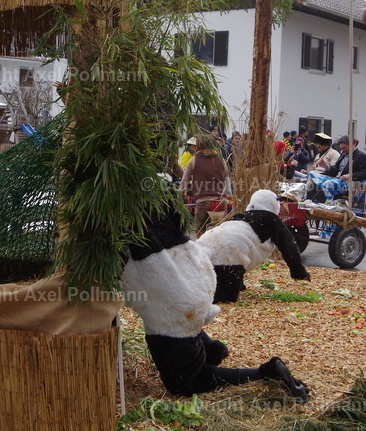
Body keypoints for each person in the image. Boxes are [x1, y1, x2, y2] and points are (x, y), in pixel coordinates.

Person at [121, 194, 310, 401]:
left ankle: (266, 373)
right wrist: (298, 270)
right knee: (183, 317)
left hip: (175, 303)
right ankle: (209, 348)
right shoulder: (153, 212)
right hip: (196, 277)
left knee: (185, 382)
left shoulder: (118, 225)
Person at [181, 135, 230, 234]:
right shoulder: (221, 160)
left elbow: (184, 182)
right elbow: (226, 177)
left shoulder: (194, 160)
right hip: (220, 203)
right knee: (220, 236)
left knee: (200, 236)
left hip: (202, 204)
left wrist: (182, 197)